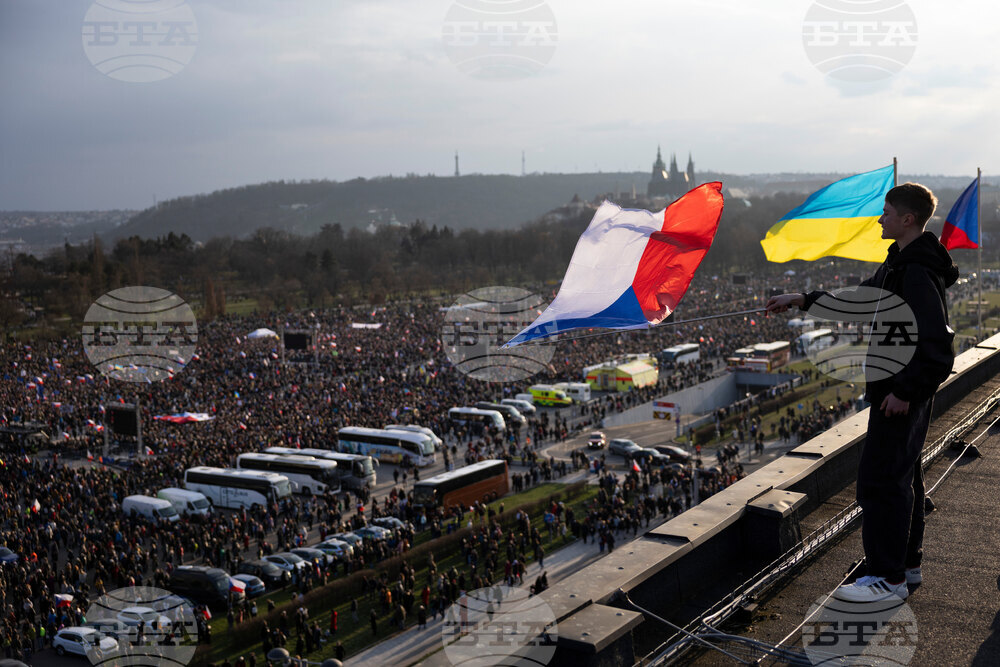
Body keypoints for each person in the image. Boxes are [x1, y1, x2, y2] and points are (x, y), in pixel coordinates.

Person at [766, 183, 957, 603]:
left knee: (881, 483)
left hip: (899, 395)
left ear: (907, 219)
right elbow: (857, 301)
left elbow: (939, 347)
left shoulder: (915, 272)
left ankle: (886, 578)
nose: (880, 219)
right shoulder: (901, 263)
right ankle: (905, 566)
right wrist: (802, 299)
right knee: (902, 480)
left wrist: (906, 392)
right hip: (898, 392)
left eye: (886, 212)